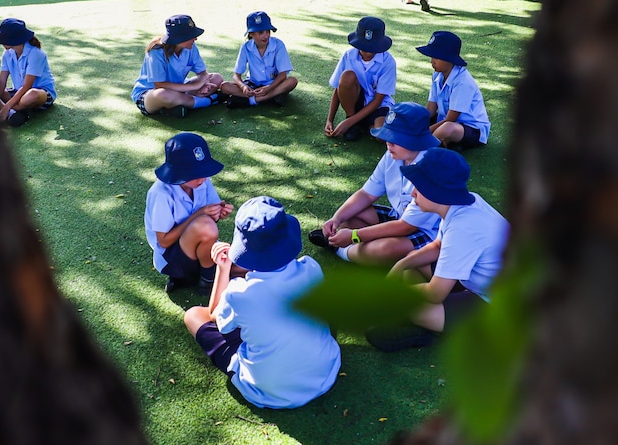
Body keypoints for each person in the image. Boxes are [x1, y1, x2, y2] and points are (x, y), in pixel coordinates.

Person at [184, 196, 341, 409]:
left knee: (194, 315)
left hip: (268, 392)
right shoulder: (311, 267)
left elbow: (214, 316)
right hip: (326, 371)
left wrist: (223, 268)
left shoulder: (239, 293)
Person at [365, 148, 509, 352]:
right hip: (480, 282)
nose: (413, 192)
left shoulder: (464, 228)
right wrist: (402, 264)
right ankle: (433, 323)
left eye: (419, 187)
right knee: (413, 263)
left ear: (437, 191)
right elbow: (438, 246)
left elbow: (435, 293)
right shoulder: (464, 203)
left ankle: (430, 329)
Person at [310, 102, 442, 266]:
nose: (389, 143)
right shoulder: (392, 154)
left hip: (427, 231)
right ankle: (345, 243)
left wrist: (354, 236)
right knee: (349, 216)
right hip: (398, 216)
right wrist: (336, 218)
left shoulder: (431, 168)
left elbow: (406, 227)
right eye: (387, 137)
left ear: (416, 141)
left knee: (385, 249)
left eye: (395, 139)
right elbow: (366, 194)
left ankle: (338, 248)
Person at [145, 132, 234, 294]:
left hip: (199, 247)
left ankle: (204, 274)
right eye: (195, 173)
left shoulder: (202, 180)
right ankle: (207, 280)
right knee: (206, 227)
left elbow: (209, 219)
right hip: (171, 257)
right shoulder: (161, 193)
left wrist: (218, 213)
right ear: (178, 172)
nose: (202, 178)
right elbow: (163, 241)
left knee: (242, 265)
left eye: (204, 171)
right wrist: (199, 214)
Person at [132, 14, 225, 118]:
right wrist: (194, 86)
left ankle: (177, 106)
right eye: (191, 36)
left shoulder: (191, 47)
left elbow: (203, 73)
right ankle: (209, 101)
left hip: (180, 88)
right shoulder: (156, 51)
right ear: (178, 38)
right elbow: (159, 85)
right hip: (150, 94)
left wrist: (205, 83)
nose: (195, 38)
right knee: (163, 95)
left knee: (216, 78)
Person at [416, 31, 491, 151]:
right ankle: (443, 141)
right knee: (414, 115)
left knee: (447, 128)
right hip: (444, 120)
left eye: (436, 57)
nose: (431, 61)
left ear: (449, 59)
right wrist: (418, 123)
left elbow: (451, 119)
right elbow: (430, 109)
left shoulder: (463, 81)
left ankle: (431, 143)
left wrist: (426, 131)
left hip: (471, 128)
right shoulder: (437, 75)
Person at [325, 16, 397, 141]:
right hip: (355, 102)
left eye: (372, 47)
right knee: (347, 76)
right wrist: (329, 120)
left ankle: (358, 123)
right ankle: (353, 120)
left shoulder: (388, 62)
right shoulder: (348, 55)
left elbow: (378, 101)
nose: (367, 51)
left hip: (379, 105)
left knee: (381, 136)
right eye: (363, 46)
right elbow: (338, 88)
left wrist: (348, 123)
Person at [220, 11, 298, 109]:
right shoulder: (246, 47)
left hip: (274, 84)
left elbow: (283, 74)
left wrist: (269, 88)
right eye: (260, 32)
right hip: (252, 84)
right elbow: (236, 75)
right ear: (251, 34)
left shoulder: (278, 45)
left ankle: (254, 100)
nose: (265, 36)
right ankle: (272, 97)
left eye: (267, 31)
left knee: (292, 81)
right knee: (224, 86)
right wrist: (243, 87)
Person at [0, 18, 57, 127]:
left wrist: (6, 108)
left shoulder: (35, 53)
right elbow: (1, 82)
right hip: (18, 92)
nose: (0, 42)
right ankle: (16, 113)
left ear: (12, 40)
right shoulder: (7, 54)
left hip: (40, 94)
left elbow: (27, 86)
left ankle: (10, 109)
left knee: (32, 95)